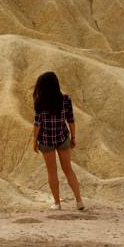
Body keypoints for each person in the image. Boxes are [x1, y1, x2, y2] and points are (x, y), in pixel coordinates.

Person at [32, 71, 85, 210]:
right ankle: (79, 201)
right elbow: (71, 120)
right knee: (68, 170)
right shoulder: (66, 99)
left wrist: (34, 142)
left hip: (46, 140)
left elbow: (37, 124)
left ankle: (57, 203)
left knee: (52, 171)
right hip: (62, 138)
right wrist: (73, 137)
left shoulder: (40, 102)